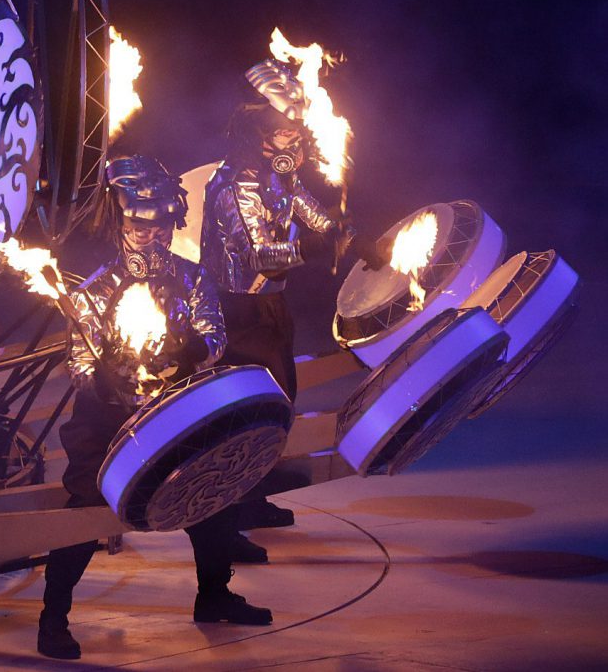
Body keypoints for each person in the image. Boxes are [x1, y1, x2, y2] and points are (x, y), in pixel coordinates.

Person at [38, 155, 270, 662]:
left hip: (175, 411)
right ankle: (53, 617)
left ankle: (213, 595)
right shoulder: (93, 291)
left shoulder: (193, 279)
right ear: (120, 222)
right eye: (137, 224)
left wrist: (188, 353)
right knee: (87, 513)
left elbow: (214, 335)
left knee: (211, 497)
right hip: (107, 424)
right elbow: (78, 360)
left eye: (159, 223)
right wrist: (101, 377)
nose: (148, 234)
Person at [201, 59, 386, 537]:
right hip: (239, 312)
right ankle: (231, 512)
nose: (296, 142)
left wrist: (351, 237)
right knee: (246, 412)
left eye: (296, 133)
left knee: (279, 404)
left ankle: (255, 497)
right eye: (286, 134)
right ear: (259, 137)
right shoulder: (234, 187)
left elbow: (315, 216)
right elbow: (263, 255)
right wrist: (315, 246)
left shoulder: (276, 178)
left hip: (270, 309)